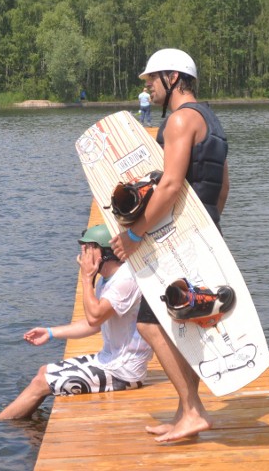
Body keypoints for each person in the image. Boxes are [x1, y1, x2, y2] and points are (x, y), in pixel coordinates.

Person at [110, 48, 230, 443]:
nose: (146, 85)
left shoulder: (180, 121)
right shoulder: (210, 120)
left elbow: (171, 185)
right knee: (183, 321)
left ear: (173, 78)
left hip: (180, 237)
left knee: (149, 323)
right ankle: (185, 412)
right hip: (204, 231)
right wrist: (210, 229)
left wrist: (134, 233)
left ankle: (194, 411)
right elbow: (223, 186)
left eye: (151, 79)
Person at [0, 224, 153, 420]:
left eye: (88, 248)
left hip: (125, 372)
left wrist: (87, 278)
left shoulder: (125, 280)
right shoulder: (107, 279)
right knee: (44, 371)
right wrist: (50, 332)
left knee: (41, 383)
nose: (82, 253)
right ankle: (12, 417)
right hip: (110, 361)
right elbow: (93, 324)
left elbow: (94, 316)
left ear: (102, 251)